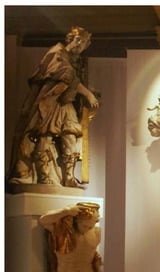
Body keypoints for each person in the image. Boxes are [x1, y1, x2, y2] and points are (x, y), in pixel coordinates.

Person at [7, 26, 100, 189]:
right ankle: (43, 177)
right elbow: (66, 75)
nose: (80, 46)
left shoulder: (72, 59)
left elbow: (72, 80)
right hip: (50, 100)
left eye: (84, 44)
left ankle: (69, 177)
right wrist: (88, 94)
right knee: (45, 135)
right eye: (79, 41)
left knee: (71, 135)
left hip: (65, 102)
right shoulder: (57, 53)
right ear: (72, 39)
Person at [39, 202, 102, 272]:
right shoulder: (64, 231)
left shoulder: (96, 232)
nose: (87, 229)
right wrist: (66, 211)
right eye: (84, 226)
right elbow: (43, 220)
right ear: (77, 220)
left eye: (91, 226)